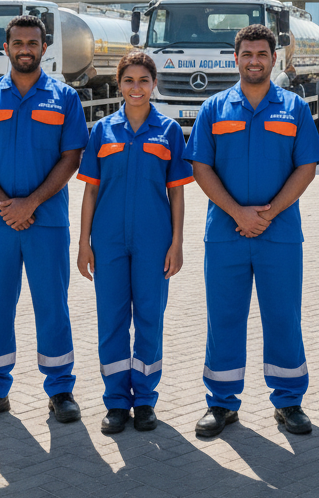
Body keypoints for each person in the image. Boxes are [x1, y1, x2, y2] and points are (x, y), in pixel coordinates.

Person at [186, 24, 319, 438]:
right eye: (246, 53)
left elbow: (307, 167)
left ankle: (288, 402)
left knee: (282, 318)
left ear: (273, 58)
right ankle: (222, 404)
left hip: (279, 234)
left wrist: (267, 213)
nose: (254, 60)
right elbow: (200, 167)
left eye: (261, 54)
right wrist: (237, 213)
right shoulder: (214, 108)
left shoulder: (295, 108)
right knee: (225, 318)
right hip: (226, 233)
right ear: (236, 59)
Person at [0, 14, 89, 428]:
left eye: (33, 42)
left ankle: (60, 391)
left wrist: (30, 203)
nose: (26, 49)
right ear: (6, 47)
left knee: (53, 306)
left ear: (44, 47)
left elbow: (72, 158)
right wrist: (4, 204)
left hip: (46, 222)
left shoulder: (64, 98)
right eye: (18, 43)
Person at [76, 51, 192, 434]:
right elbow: (90, 192)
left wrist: (176, 243)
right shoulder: (102, 131)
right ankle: (115, 402)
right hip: (107, 241)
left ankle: (144, 400)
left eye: (144, 80)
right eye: (129, 80)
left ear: (153, 84)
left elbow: (176, 194)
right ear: (119, 84)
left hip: (153, 241)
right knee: (111, 321)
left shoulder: (169, 131)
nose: (136, 88)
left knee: (148, 321)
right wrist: (83, 242)